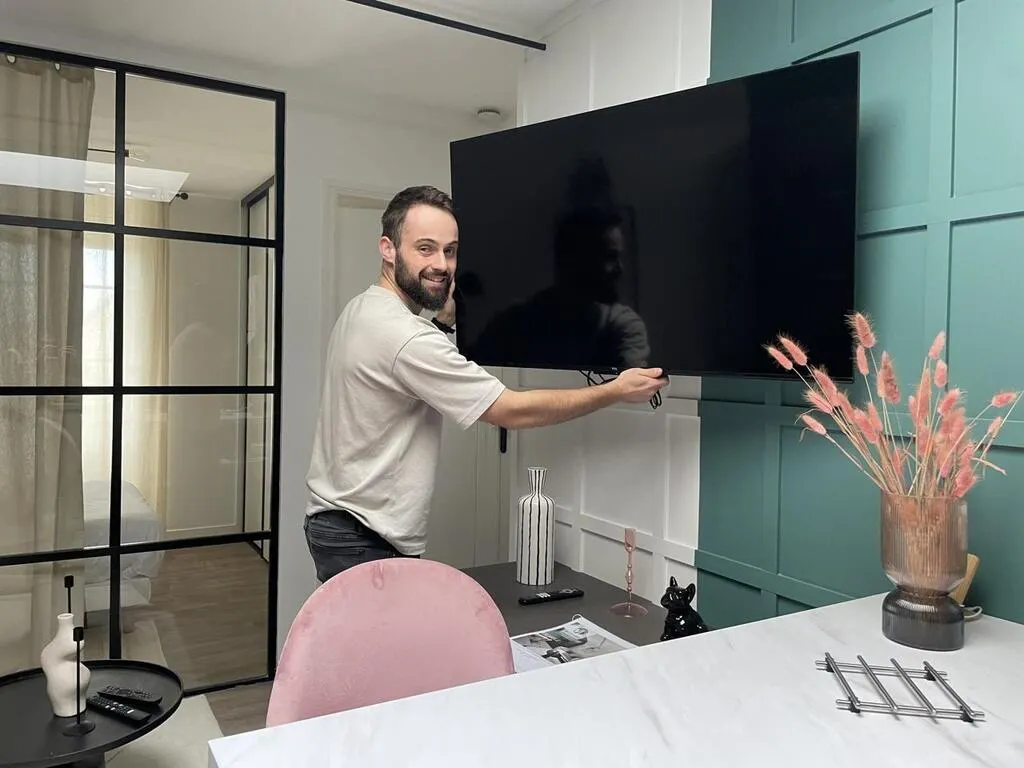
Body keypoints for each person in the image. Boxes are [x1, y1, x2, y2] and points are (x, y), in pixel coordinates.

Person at [303, 185, 668, 583]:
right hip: (364, 538)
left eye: (450, 250)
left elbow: (402, 367)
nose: (442, 264)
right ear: (388, 249)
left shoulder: (363, 308)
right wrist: (615, 390)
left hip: (338, 524)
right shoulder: (405, 336)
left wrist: (443, 323)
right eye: (425, 248)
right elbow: (510, 410)